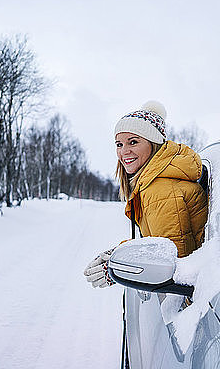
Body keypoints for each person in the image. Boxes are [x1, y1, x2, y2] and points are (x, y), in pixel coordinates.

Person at [84, 101, 208, 288]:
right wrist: (118, 253)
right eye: (119, 144)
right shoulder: (157, 181)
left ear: (154, 144)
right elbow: (159, 242)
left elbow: (174, 265)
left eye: (133, 142)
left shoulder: (161, 188)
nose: (124, 151)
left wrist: (117, 268)